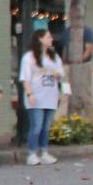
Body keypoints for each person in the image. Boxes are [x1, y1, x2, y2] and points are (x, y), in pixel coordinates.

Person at [19, 26, 69, 165]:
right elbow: (25, 78)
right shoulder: (29, 58)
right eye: (48, 37)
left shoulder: (54, 56)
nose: (51, 39)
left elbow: (60, 74)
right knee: (37, 125)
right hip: (36, 96)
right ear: (40, 39)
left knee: (46, 127)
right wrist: (29, 94)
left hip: (50, 96)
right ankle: (32, 153)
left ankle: (44, 151)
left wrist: (57, 74)